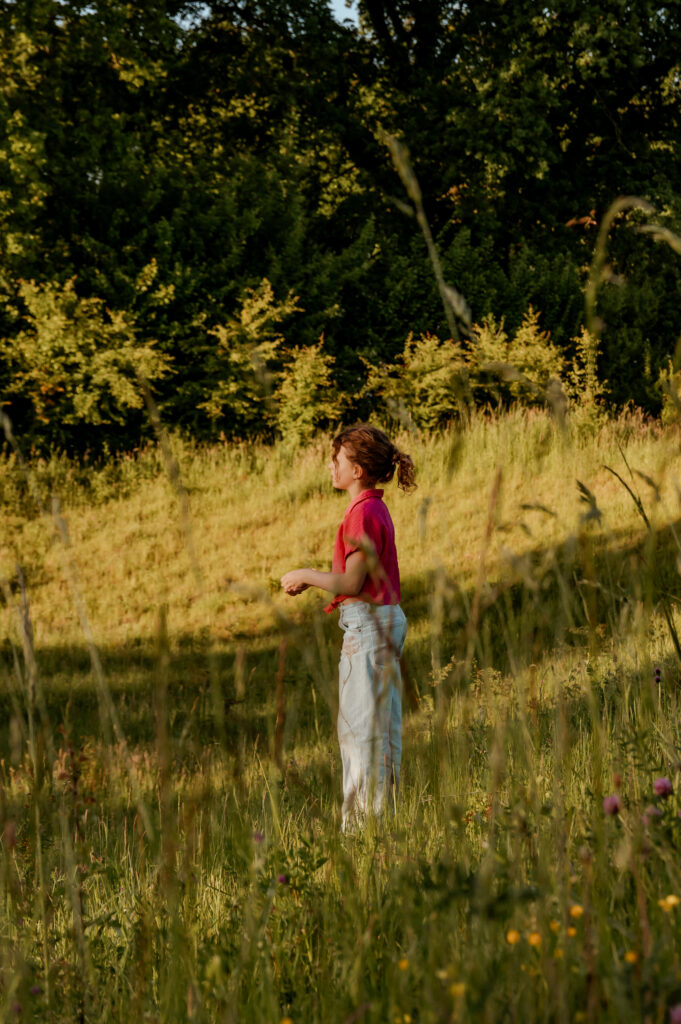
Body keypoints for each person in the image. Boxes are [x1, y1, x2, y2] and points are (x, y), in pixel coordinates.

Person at [281, 424, 415, 829]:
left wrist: (305, 575)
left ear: (357, 469)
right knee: (381, 736)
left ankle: (362, 836)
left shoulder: (362, 513)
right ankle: (383, 827)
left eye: (337, 459)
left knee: (360, 737)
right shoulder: (374, 507)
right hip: (384, 624)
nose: (331, 465)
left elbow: (351, 583)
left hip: (368, 629)